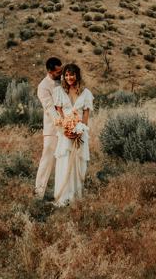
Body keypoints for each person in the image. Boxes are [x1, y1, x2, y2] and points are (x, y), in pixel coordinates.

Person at [53, 62, 93, 206]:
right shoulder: (59, 92)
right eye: (67, 75)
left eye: (72, 74)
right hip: (65, 134)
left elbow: (86, 117)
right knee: (64, 162)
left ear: (77, 75)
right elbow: (60, 112)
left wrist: (80, 130)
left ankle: (76, 197)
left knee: (78, 163)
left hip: (80, 133)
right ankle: (63, 197)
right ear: (64, 76)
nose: (69, 77)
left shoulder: (86, 93)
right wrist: (66, 129)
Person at [34, 56, 62, 199]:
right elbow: (50, 108)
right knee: (47, 161)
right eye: (57, 72)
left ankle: (61, 193)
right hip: (52, 130)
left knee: (63, 162)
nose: (60, 74)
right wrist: (63, 124)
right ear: (50, 71)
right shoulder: (43, 86)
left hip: (66, 129)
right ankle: (39, 194)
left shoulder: (62, 81)